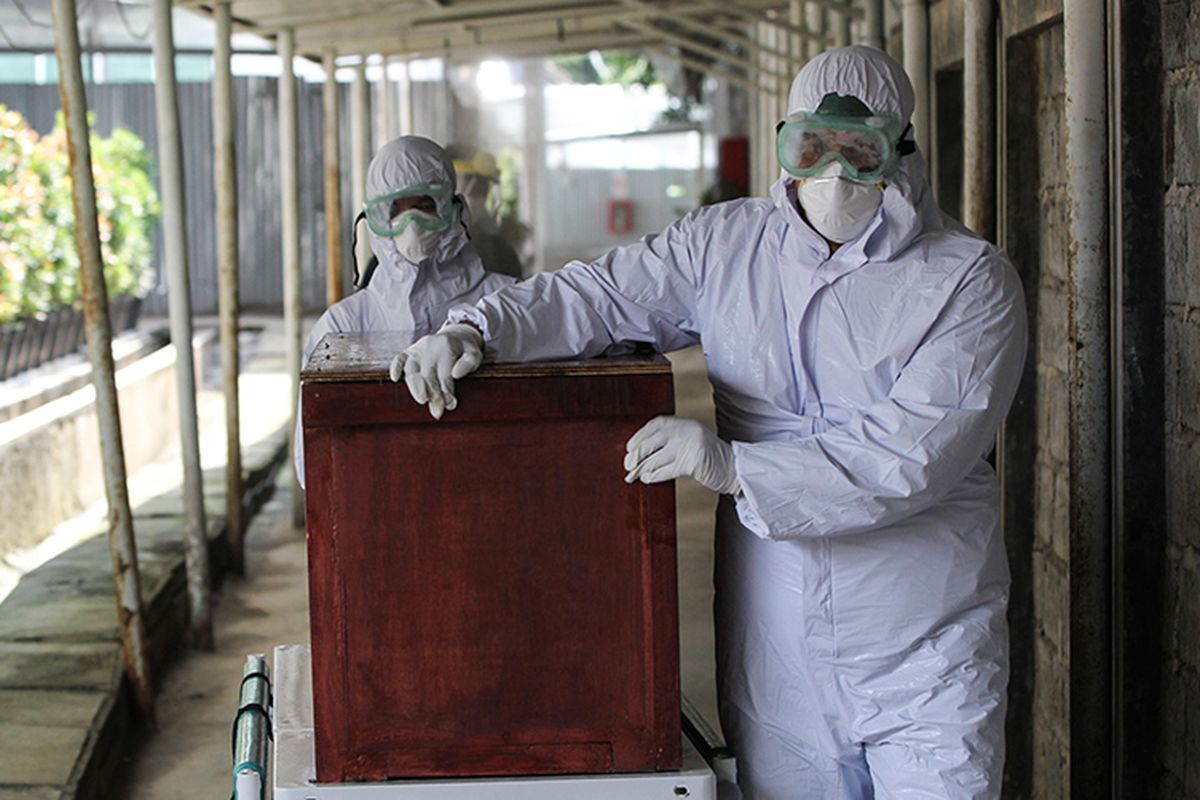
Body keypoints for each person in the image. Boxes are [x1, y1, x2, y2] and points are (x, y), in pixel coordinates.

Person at [394, 46, 1026, 799]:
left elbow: (909, 458)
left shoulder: (968, 281)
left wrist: (735, 467)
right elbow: (595, 296)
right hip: (777, 646)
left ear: (902, 152)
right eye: (811, 146)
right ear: (783, 142)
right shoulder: (726, 245)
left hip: (923, 641)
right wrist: (476, 329)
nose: (832, 174)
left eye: (861, 152)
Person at [293, 135, 515, 487]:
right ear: (375, 219)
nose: (411, 222)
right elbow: (314, 466)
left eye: (425, 205)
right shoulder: (341, 327)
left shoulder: (508, 300)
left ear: (453, 208)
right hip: (387, 504)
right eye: (396, 209)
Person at [449, 146, 524, 279]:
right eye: (467, 178)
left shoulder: (499, 249)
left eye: (483, 181)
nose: (475, 188)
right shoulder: (431, 245)